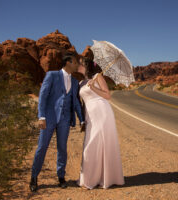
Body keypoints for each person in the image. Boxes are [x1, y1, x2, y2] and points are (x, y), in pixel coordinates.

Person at [29, 52, 86, 192]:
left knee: (62, 149)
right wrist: (41, 116)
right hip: (49, 118)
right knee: (42, 147)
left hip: (65, 120)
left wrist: (82, 119)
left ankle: (61, 177)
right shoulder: (52, 75)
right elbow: (42, 96)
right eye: (76, 62)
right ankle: (34, 177)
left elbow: (76, 103)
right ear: (68, 62)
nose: (77, 65)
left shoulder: (74, 82)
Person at [76, 57, 125, 189]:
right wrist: (83, 120)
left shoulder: (97, 77)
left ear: (85, 65)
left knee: (99, 144)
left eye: (79, 63)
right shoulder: (81, 82)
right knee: (90, 145)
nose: (77, 65)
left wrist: (93, 88)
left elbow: (107, 96)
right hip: (90, 116)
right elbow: (82, 103)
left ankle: (104, 179)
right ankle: (91, 178)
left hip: (102, 112)